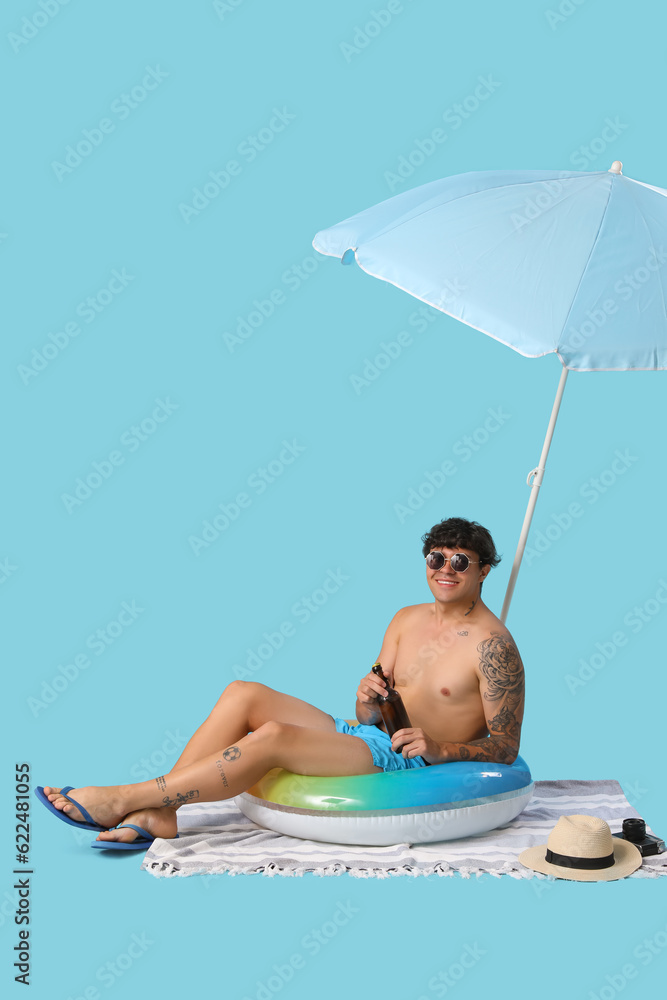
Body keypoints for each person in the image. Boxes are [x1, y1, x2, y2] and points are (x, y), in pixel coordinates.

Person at [40, 516, 525, 847]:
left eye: (460, 561)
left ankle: (127, 797)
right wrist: (366, 701)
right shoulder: (405, 618)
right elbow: (370, 716)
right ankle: (161, 815)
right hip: (370, 736)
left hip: (404, 763)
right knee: (242, 694)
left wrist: (438, 748)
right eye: (436, 558)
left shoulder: (493, 647)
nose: (445, 570)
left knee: (271, 738)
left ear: (483, 570)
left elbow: (505, 746)